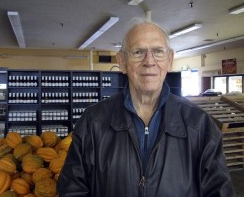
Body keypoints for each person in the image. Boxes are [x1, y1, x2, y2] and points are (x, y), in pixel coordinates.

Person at [57, 20, 236, 197]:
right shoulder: (93, 122)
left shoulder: (200, 125)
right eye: (138, 52)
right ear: (122, 62)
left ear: (170, 59)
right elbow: (72, 190)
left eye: (158, 51)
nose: (149, 61)